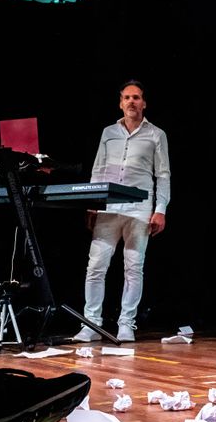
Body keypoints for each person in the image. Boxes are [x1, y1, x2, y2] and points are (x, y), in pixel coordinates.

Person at [72, 80, 171, 343]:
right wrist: (92, 203)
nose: (131, 102)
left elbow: (163, 175)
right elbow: (98, 169)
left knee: (133, 267)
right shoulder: (108, 132)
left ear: (144, 103)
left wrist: (160, 209)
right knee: (96, 266)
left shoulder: (156, 134)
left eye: (136, 97)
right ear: (120, 103)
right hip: (108, 207)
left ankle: (126, 323)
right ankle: (91, 324)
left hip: (139, 209)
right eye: (127, 97)